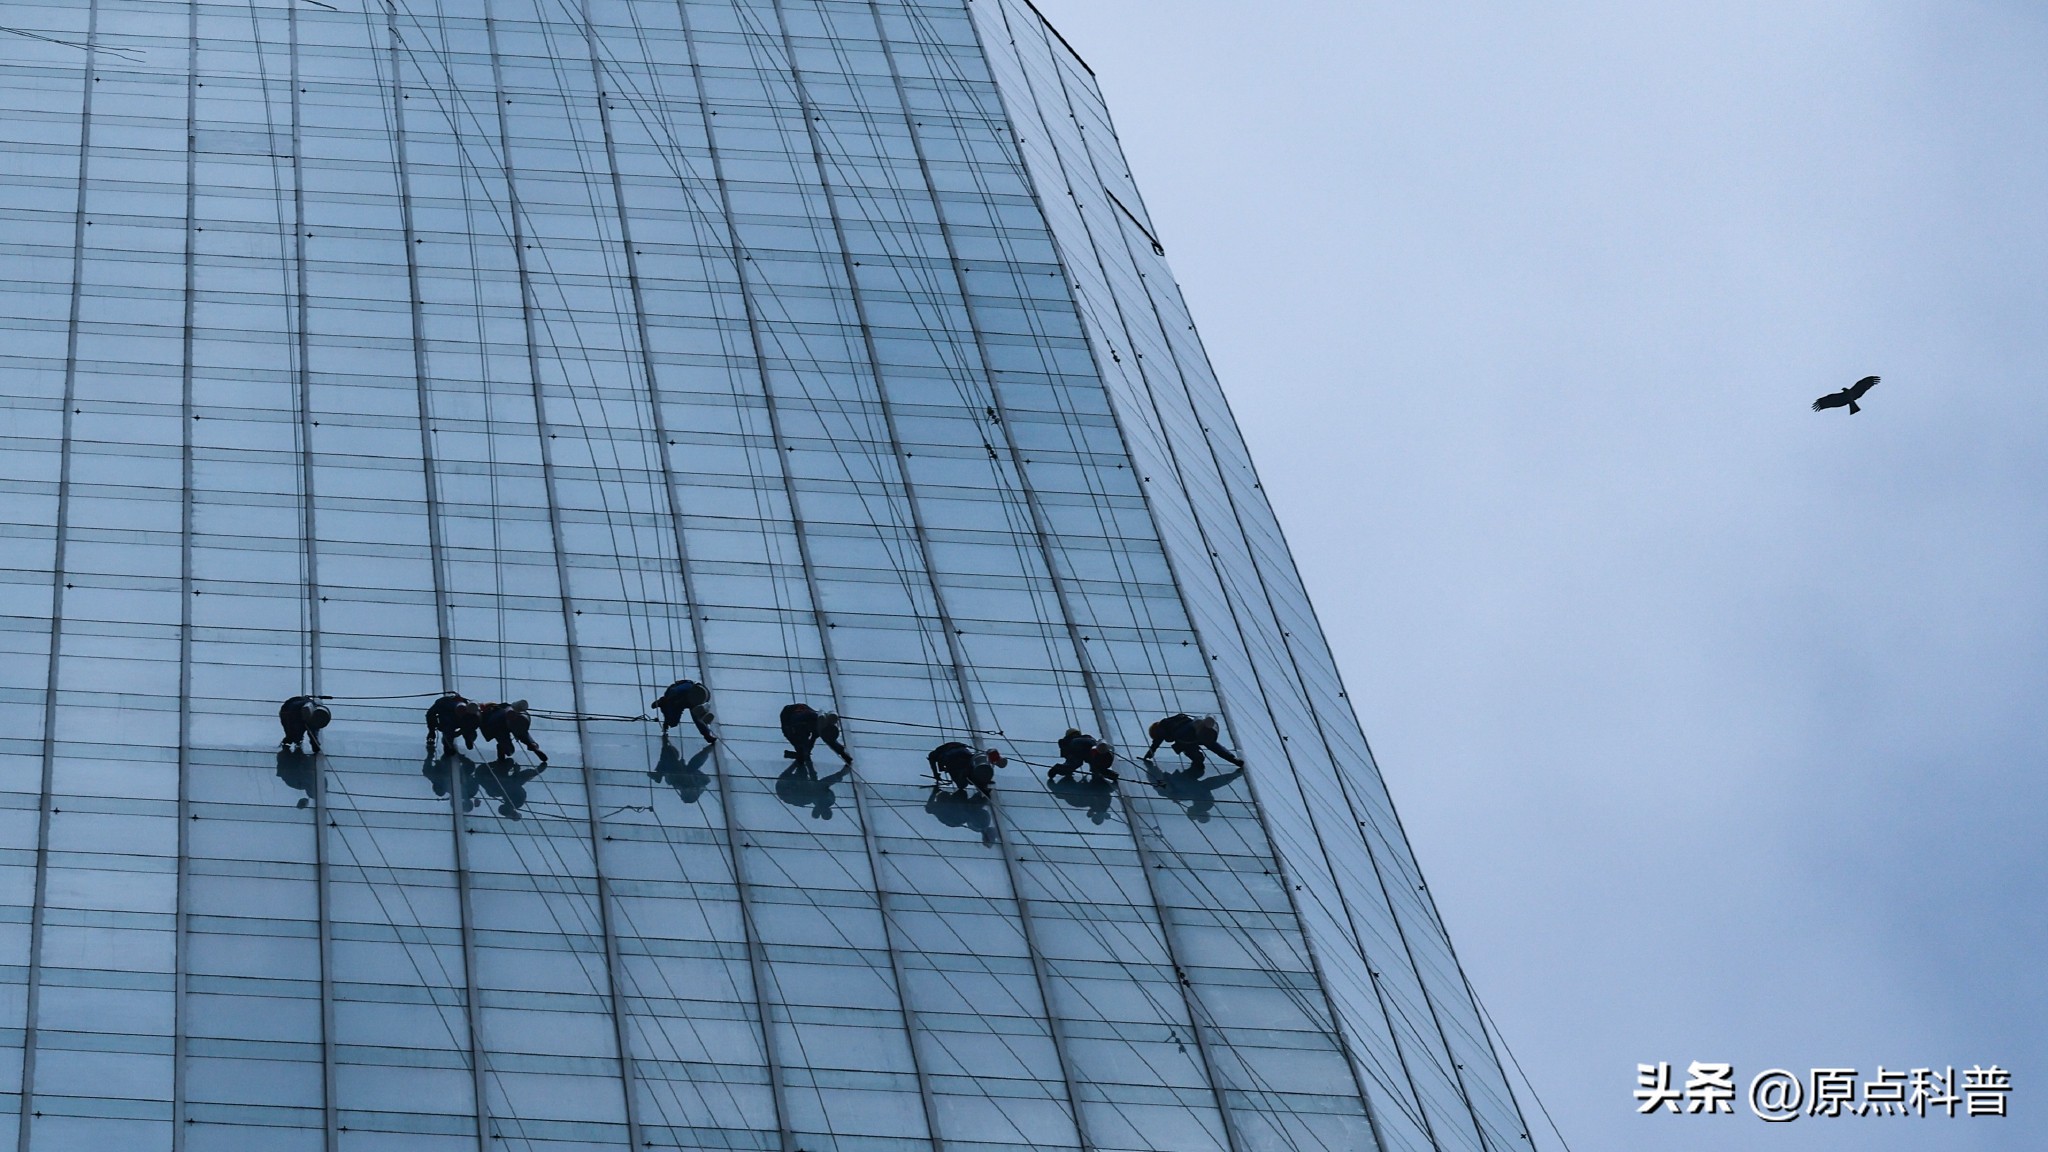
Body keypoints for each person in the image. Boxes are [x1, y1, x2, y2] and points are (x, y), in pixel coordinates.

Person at [1143, 713, 1242, 775]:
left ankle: (1198, 759)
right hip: (1193, 727)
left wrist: (1151, 752)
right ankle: (1233, 759)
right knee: (1211, 743)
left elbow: (1158, 738)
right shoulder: (1175, 719)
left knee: (1185, 746)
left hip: (1183, 734)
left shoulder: (1162, 725)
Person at [780, 703, 851, 774]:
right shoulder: (800, 722)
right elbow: (804, 740)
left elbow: (829, 741)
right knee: (797, 741)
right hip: (788, 716)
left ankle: (801, 753)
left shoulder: (822, 726)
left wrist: (842, 753)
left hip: (805, 716)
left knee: (804, 747)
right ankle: (800, 753)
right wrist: (802, 751)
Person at [478, 700, 547, 763]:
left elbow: (489, 727)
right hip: (506, 725)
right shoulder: (506, 711)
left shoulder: (496, 715)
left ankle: (503, 750)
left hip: (501, 726)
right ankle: (533, 746)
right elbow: (523, 732)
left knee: (509, 748)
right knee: (522, 737)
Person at [927, 741, 1004, 797]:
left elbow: (932, 763)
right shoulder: (952, 745)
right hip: (965, 753)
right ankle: (982, 782)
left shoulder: (934, 754)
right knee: (971, 769)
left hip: (950, 757)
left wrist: (936, 775)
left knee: (961, 785)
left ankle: (966, 774)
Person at [652, 678, 716, 743]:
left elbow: (698, 720)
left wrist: (707, 735)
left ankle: (707, 736)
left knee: (697, 718)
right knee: (673, 723)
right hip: (675, 699)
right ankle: (662, 703)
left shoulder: (702, 698)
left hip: (687, 701)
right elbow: (673, 691)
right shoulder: (687, 687)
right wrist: (666, 700)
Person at [1046, 728, 1118, 785]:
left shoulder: (1069, 740)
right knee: (1096, 764)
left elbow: (1067, 754)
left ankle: (1057, 769)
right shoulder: (1087, 737)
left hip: (1082, 748)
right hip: (1094, 749)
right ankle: (1109, 774)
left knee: (1075, 763)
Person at [425, 692, 481, 757]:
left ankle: (468, 739)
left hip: (459, 722)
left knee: (469, 731)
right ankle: (449, 746)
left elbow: (473, 726)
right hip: (449, 720)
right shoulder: (444, 706)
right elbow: (430, 714)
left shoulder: (474, 716)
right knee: (448, 732)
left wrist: (461, 732)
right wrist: (432, 730)